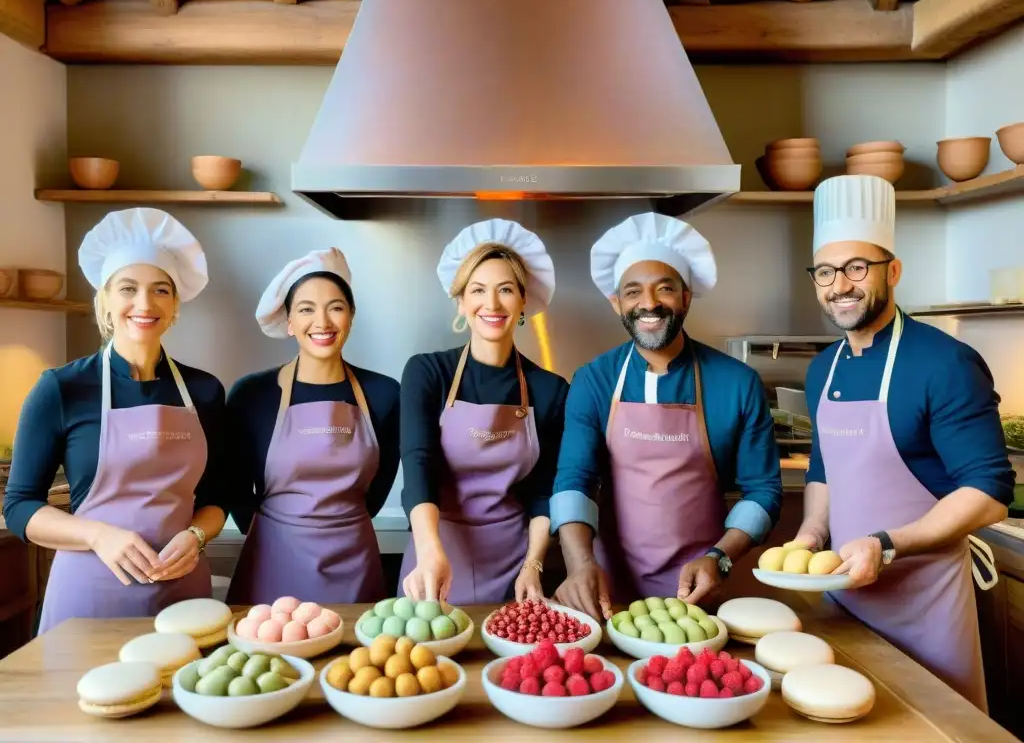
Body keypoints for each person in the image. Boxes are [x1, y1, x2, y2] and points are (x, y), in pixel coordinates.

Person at [793, 174, 1014, 711]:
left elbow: (989, 491)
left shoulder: (945, 362)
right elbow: (824, 470)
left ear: (892, 270)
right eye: (826, 271)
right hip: (845, 600)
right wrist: (809, 534)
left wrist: (887, 544)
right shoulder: (823, 368)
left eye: (856, 268)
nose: (840, 285)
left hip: (926, 604)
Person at [550, 211, 784, 621]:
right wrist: (580, 564)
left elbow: (763, 490)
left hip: (699, 591)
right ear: (616, 303)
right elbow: (575, 481)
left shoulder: (736, 382)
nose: (649, 304)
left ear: (686, 297)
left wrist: (721, 558)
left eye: (665, 289)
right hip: (606, 588)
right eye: (633, 292)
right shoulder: (594, 380)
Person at [3, 207, 228, 634]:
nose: (145, 304)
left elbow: (219, 496)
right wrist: (98, 536)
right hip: (89, 599)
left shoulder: (204, 391)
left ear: (175, 304)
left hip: (182, 597)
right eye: (128, 288)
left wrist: (196, 536)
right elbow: (19, 506)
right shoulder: (62, 388)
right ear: (104, 298)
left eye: (161, 290)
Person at [398, 218, 569, 605]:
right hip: (433, 553)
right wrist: (429, 551)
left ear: (524, 300)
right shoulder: (427, 373)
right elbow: (417, 462)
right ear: (460, 300)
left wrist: (533, 564)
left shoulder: (550, 389)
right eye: (478, 290)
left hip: (514, 563)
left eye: (505, 290)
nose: (491, 304)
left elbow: (547, 490)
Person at [224, 248, 400, 605]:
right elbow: (235, 488)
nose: (322, 322)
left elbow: (381, 483)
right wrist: (277, 534)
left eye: (335, 307)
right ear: (289, 322)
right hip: (272, 563)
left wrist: (343, 525)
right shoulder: (252, 393)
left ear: (351, 316)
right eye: (306, 309)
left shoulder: (384, 393)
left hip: (354, 561)